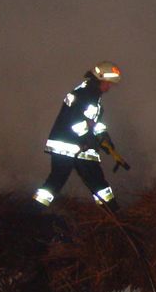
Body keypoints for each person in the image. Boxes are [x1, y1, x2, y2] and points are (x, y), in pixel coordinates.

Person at [33, 61, 127, 212]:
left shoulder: (90, 95)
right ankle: (114, 213)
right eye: (107, 83)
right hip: (72, 146)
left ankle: (33, 211)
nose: (109, 87)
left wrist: (105, 140)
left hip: (75, 145)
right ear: (99, 79)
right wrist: (90, 139)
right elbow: (76, 123)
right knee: (90, 181)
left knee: (60, 180)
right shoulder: (85, 95)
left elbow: (92, 123)